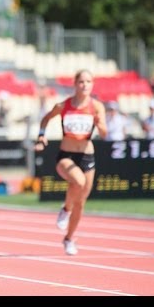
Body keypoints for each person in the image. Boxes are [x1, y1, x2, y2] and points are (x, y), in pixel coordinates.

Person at [34, 69, 107, 256]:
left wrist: (99, 124)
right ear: (75, 84)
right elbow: (45, 119)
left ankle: (68, 238)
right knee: (78, 182)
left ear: (92, 85)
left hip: (87, 156)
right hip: (66, 156)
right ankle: (66, 209)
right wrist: (42, 137)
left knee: (81, 203)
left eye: (88, 82)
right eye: (81, 82)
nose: (85, 85)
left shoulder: (97, 106)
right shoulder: (64, 106)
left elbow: (105, 134)